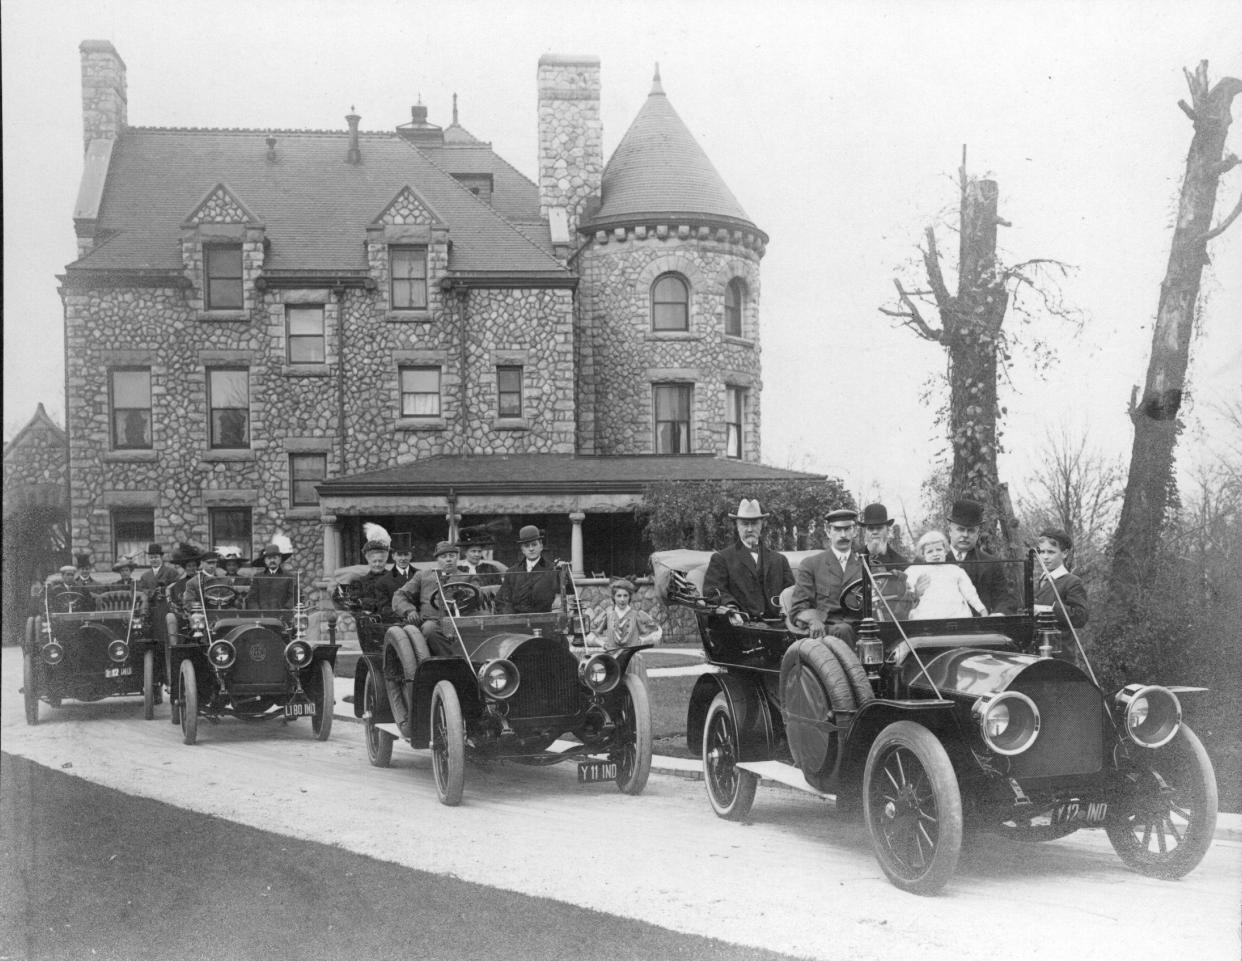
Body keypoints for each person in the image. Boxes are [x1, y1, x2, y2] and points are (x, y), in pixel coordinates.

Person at [703, 499, 794, 621]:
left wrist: (786, 610)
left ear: (762, 525)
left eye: (754, 523)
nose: (750, 529)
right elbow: (713, 593)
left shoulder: (780, 560)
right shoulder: (721, 559)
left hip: (777, 625)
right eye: (745, 524)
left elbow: (792, 592)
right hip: (741, 627)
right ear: (737, 526)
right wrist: (731, 609)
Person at [791, 507, 863, 644]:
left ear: (854, 531)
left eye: (847, 529)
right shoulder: (811, 565)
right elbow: (798, 609)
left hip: (862, 631)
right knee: (844, 630)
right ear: (828, 531)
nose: (843, 535)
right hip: (828, 633)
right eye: (837, 529)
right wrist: (813, 620)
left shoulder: (865, 565)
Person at [946, 499, 1017, 615]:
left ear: (978, 533)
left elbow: (1005, 599)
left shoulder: (991, 564)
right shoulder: (927, 561)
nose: (965, 535)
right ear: (950, 530)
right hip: (939, 628)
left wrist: (999, 614)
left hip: (980, 628)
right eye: (960, 529)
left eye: (971, 531)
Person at [391, 541, 461, 655]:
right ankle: (451, 662)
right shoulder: (423, 575)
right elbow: (400, 595)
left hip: (461, 620)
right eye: (444, 556)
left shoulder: (467, 577)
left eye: (452, 556)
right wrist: (409, 611)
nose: (448, 559)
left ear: (457, 557)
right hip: (433, 621)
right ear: (437, 559)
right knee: (429, 629)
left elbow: (478, 595)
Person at [903, 530, 988, 619]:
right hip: (926, 618)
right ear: (923, 554)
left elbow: (970, 593)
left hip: (957, 617)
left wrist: (982, 610)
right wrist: (915, 593)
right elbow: (904, 596)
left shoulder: (955, 570)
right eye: (930, 551)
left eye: (939, 549)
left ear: (945, 551)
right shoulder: (914, 570)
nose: (935, 554)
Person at [495, 525, 562, 615]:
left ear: (541, 546)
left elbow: (566, 594)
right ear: (522, 550)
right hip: (517, 623)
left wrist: (564, 572)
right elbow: (502, 600)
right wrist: (511, 618)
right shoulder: (512, 572)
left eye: (534, 544)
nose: (531, 549)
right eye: (527, 546)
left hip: (544, 621)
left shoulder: (553, 570)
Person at [1033, 528, 1089, 629]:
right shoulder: (1037, 580)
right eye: (1042, 552)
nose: (1045, 557)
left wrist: (1049, 609)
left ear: (1064, 553)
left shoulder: (1072, 582)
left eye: (1051, 552)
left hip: (1059, 643)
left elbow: (1080, 618)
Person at [356, 524, 397, 617]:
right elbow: (357, 602)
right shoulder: (361, 581)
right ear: (368, 561)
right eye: (374, 561)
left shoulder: (393, 578)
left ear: (386, 560)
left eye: (380, 561)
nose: (377, 564)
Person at [246, 537, 297, 610]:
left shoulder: (288, 577)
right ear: (265, 561)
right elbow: (251, 598)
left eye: (275, 557)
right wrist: (257, 611)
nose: (272, 560)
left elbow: (293, 597)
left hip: (281, 615)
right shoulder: (258, 577)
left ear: (280, 559)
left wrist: (286, 609)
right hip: (262, 616)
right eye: (269, 558)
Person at [857, 503, 908, 569]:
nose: (875, 532)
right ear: (865, 532)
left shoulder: (901, 563)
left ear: (887, 530)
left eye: (879, 528)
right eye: (871, 528)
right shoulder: (855, 559)